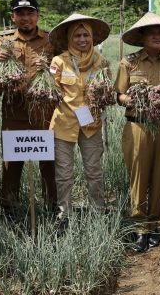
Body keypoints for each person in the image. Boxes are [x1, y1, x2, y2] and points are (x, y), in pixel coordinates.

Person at [115, 13, 160, 252]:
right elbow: (119, 95)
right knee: (138, 177)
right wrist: (136, 98)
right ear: (142, 37)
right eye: (151, 32)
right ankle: (139, 227)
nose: (157, 36)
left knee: (159, 176)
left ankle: (154, 223)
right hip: (138, 126)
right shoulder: (130, 62)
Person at [0, 0, 57, 213]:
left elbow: (63, 73)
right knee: (12, 164)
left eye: (30, 13)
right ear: (13, 17)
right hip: (13, 113)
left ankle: (52, 208)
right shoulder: (3, 41)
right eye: (20, 14)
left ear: (37, 15)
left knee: (49, 163)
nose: (25, 18)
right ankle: (10, 210)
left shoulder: (50, 41)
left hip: (44, 113)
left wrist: (49, 68)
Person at [48, 14, 111, 233]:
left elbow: (107, 91)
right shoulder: (59, 62)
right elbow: (50, 92)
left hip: (91, 125)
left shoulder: (101, 61)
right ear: (68, 37)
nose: (82, 39)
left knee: (94, 171)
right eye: (77, 35)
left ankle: (98, 210)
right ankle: (64, 214)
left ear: (92, 37)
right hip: (64, 124)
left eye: (86, 35)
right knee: (64, 174)